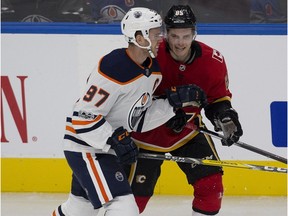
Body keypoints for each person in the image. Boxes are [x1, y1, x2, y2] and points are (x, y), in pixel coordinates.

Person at [52, 7, 206, 216]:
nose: (160, 37)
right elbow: (82, 118)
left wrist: (172, 106)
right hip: (86, 147)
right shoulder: (114, 66)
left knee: (79, 209)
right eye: (154, 32)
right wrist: (113, 138)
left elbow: (138, 120)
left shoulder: (153, 70)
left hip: (105, 149)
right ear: (139, 36)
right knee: (123, 207)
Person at [127, 5, 243, 216]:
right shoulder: (149, 54)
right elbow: (132, 99)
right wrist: (164, 113)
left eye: (186, 36)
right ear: (165, 34)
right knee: (134, 201)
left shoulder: (212, 60)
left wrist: (225, 116)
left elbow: (216, 98)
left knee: (211, 188)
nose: (180, 42)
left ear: (194, 34)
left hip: (188, 132)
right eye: (174, 36)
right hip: (146, 137)